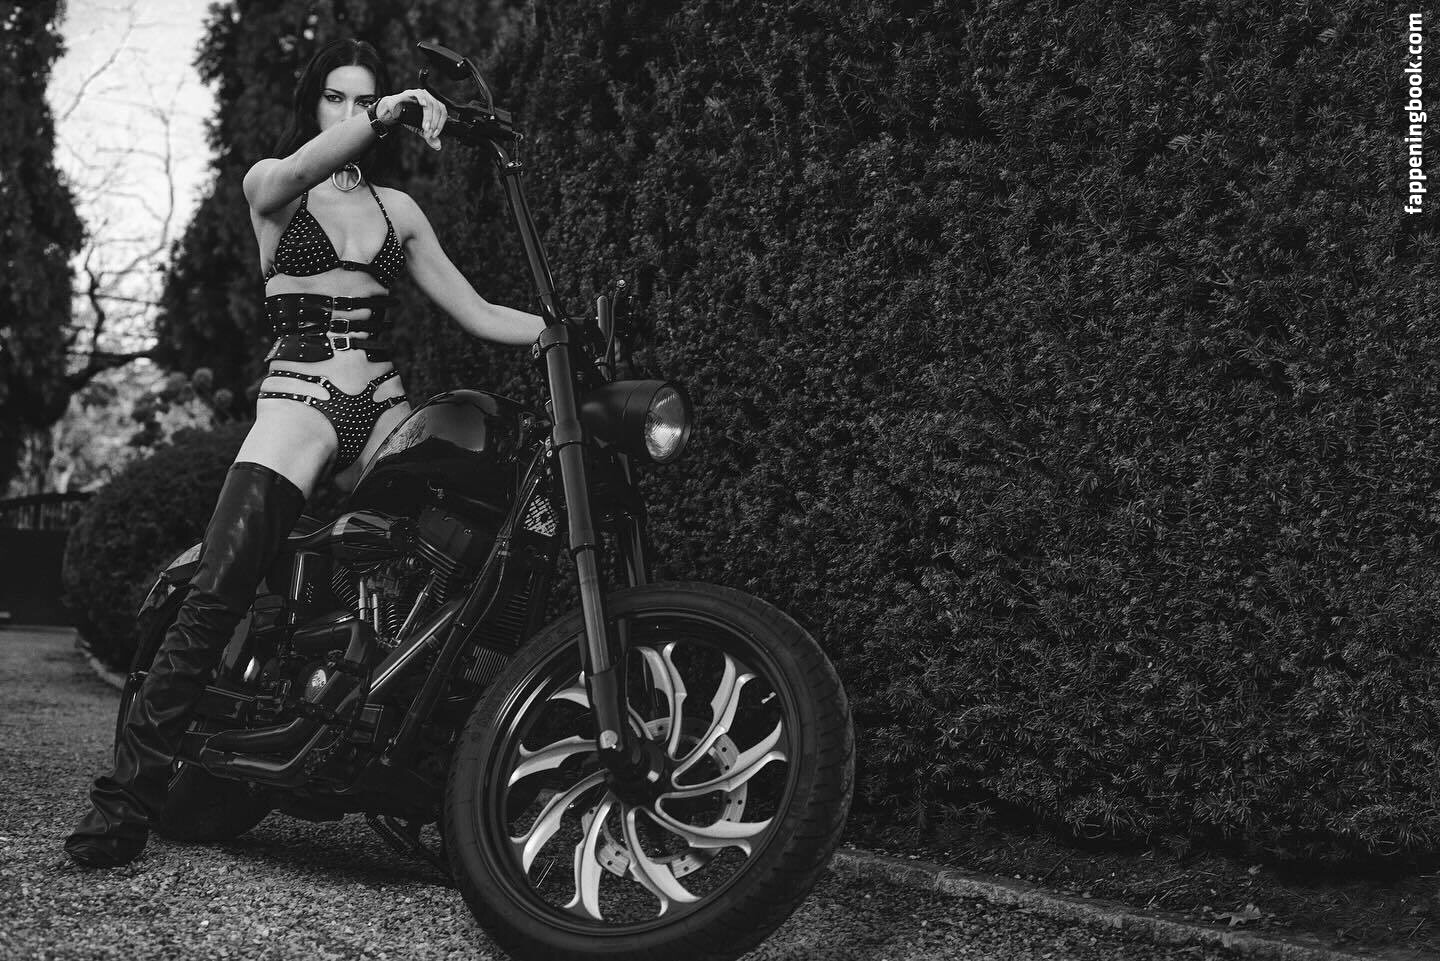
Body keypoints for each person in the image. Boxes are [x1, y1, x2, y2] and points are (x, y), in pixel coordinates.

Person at [64, 38, 545, 868]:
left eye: (364, 98)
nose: (352, 112)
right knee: (220, 585)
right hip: (300, 400)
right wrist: (386, 113)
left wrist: (560, 332)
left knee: (457, 560)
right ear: (312, 105)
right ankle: (123, 798)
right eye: (337, 98)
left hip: (382, 402)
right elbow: (300, 166)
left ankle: (408, 749)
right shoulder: (274, 185)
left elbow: (475, 310)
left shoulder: (400, 211)